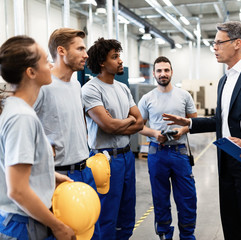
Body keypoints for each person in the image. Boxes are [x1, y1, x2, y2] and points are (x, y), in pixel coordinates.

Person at [162, 21, 241, 240]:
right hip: (225, 162)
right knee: (231, 225)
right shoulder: (223, 80)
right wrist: (189, 124)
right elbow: (220, 120)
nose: (214, 48)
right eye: (214, 43)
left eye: (219, 43)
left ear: (237, 43)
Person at [0, 36, 75, 239]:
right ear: (31, 72)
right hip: (22, 225)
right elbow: (17, 191)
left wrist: (49, 175)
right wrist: (58, 226)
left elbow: (8, 164)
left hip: (8, 219)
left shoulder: (5, 108)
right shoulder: (22, 117)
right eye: (46, 61)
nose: (51, 65)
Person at [33, 28, 100, 238]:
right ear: (61, 51)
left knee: (90, 233)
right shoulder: (43, 87)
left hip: (84, 170)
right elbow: (23, 127)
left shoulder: (76, 84)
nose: (86, 54)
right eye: (80, 48)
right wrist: (43, 144)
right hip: (59, 177)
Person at [81, 38, 144, 240]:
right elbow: (107, 126)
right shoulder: (91, 89)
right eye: (114, 57)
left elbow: (140, 122)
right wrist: (127, 120)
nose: (120, 61)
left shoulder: (123, 88)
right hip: (104, 160)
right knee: (107, 216)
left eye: (119, 56)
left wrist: (120, 123)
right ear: (102, 62)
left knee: (127, 214)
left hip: (126, 158)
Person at [138, 56, 198, 240]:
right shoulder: (147, 98)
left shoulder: (184, 96)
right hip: (157, 152)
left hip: (179, 152)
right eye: (159, 71)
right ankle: (165, 235)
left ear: (171, 72)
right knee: (160, 199)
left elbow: (194, 122)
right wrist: (155, 134)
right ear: (154, 74)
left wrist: (182, 130)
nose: (163, 74)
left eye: (166, 70)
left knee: (187, 198)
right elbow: (139, 126)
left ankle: (187, 236)